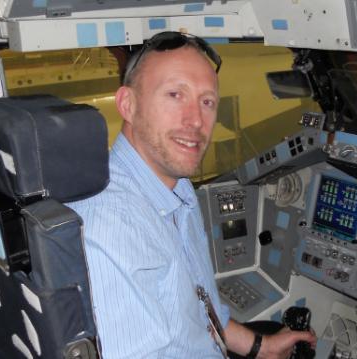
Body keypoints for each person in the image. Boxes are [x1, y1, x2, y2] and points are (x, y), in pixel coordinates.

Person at [67, 31, 316, 358]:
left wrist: (260, 347)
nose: (196, 120)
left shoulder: (176, 186)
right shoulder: (108, 231)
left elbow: (203, 313)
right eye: (174, 94)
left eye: (207, 101)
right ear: (127, 104)